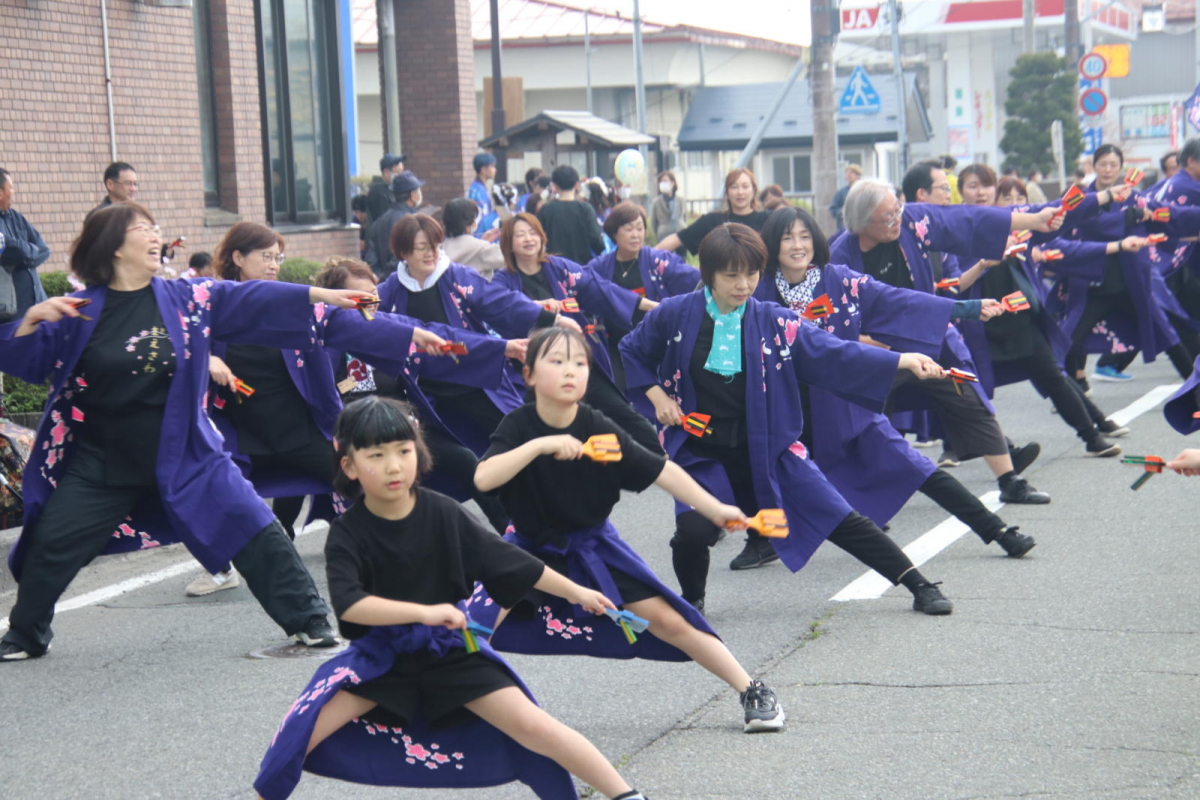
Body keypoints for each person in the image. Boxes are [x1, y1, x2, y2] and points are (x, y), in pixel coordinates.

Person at [0, 202, 374, 662]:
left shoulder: (186, 297)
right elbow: (27, 362)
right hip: (104, 459)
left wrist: (323, 296)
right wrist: (30, 321)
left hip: (189, 452)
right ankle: (26, 633)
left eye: (156, 227)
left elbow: (252, 298)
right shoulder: (80, 312)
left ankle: (310, 621)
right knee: (50, 543)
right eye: (143, 229)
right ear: (113, 245)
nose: (156, 235)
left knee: (254, 525)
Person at [253, 396, 652, 800]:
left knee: (536, 727)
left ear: (419, 453)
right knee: (297, 735)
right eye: (376, 454)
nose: (393, 465)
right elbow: (352, 606)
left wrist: (579, 591)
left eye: (403, 451)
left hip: (451, 653)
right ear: (350, 466)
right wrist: (425, 612)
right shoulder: (347, 533)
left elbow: (512, 563)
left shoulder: (443, 512)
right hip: (381, 659)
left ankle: (627, 796)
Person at [619, 223, 958, 614]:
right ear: (708, 273)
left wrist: (902, 359)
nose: (743, 284)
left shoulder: (774, 320)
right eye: (731, 275)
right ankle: (692, 601)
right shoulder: (675, 314)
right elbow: (632, 349)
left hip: (768, 446)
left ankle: (918, 584)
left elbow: (835, 352)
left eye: (751, 274)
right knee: (693, 530)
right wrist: (657, 395)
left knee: (839, 516)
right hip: (701, 450)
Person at [471, 327, 785, 732]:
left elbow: (661, 469)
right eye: (557, 361)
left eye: (580, 363)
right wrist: (540, 446)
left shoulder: (598, 427)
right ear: (528, 375)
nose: (571, 371)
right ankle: (449, 704)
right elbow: (483, 479)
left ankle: (752, 690)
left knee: (671, 621)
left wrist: (715, 508)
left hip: (593, 546)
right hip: (528, 549)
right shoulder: (518, 426)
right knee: (470, 627)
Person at [751, 205, 1036, 561]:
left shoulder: (839, 279)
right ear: (771, 244)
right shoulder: (757, 289)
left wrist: (965, 308)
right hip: (787, 409)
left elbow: (897, 299)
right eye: (787, 237)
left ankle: (998, 531)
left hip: (843, 403)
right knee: (763, 474)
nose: (798, 245)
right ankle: (761, 540)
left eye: (805, 236)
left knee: (922, 471)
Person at [830, 177, 1061, 505]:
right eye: (888, 217)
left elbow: (966, 218)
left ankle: (1010, 481)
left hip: (926, 335)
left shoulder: (911, 221)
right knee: (860, 422)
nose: (898, 220)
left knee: (969, 397)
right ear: (861, 223)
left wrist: (1035, 219)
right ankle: (855, 503)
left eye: (897, 210)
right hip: (872, 351)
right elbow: (836, 327)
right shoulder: (839, 259)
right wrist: (874, 345)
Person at [312, 257, 513, 533]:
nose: (370, 302)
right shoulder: (323, 338)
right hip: (353, 432)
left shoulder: (389, 326)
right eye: (360, 296)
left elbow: (438, 335)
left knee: (465, 460)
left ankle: (511, 532)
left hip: (401, 424)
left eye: (374, 294)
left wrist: (502, 347)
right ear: (338, 299)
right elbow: (321, 393)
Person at [949, 178, 1127, 456]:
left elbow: (1057, 207)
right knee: (969, 390)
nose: (981, 191)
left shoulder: (1014, 221)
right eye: (973, 186)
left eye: (985, 185)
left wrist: (1104, 195)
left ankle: (1092, 437)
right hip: (977, 324)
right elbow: (951, 277)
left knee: (1054, 378)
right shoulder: (953, 224)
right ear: (961, 191)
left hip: (1020, 319)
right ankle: (955, 447)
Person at [377, 214, 576, 454]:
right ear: (403, 251)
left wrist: (552, 318)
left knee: (521, 435)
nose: (431, 253)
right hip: (427, 391)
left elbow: (501, 303)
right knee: (460, 460)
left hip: (473, 376)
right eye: (422, 248)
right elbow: (369, 327)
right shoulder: (390, 290)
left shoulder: (456, 275)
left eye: (435, 246)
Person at [492, 212, 660, 450]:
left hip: (573, 358)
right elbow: (503, 308)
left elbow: (601, 289)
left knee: (622, 412)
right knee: (539, 427)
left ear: (541, 237)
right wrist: (539, 308)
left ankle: (663, 457)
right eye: (520, 235)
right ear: (508, 243)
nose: (528, 239)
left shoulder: (560, 268)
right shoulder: (503, 281)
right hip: (533, 369)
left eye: (532, 233)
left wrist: (651, 306)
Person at [1056, 144, 1197, 386]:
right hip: (1094, 284)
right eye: (1103, 164)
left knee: (1169, 337)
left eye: (1113, 165)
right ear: (1094, 166)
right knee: (1069, 339)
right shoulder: (1083, 198)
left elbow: (1169, 214)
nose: (1108, 170)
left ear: (1121, 168)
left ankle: (1194, 390)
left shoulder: (1135, 197)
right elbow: (1088, 224)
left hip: (1132, 282)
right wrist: (1126, 217)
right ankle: (1076, 388)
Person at [584, 202, 699, 389]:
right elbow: (582, 286)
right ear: (614, 232)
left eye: (640, 228)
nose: (636, 235)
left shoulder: (658, 260)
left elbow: (691, 277)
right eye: (629, 229)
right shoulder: (599, 266)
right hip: (613, 345)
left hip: (655, 345)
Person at [656, 168, 767, 255]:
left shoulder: (767, 220)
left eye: (745, 186)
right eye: (734, 187)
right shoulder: (712, 221)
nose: (740, 192)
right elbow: (678, 238)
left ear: (754, 190)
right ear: (727, 192)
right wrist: (646, 257)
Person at [0, 168, 50, 317]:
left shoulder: (16, 217)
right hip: (9, 314)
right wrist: (27, 251)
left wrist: (24, 253)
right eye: (11, 187)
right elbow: (9, 250)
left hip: (35, 306)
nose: (14, 192)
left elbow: (44, 249)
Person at [536, 165, 605, 266]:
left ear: (555, 186)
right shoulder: (586, 209)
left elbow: (539, 239)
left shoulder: (545, 210)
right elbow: (597, 241)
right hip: (581, 268)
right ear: (576, 185)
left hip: (552, 268)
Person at [368, 169, 425, 277]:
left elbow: (371, 255)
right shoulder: (412, 222)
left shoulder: (380, 220)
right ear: (413, 195)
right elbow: (402, 256)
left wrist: (380, 277)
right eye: (419, 190)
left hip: (383, 282)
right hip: (406, 279)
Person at [441, 197, 505, 278]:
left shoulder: (441, 247)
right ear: (470, 222)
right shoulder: (481, 248)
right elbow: (509, 258)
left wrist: (482, 241)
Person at [468, 152, 501, 242]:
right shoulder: (477, 191)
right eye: (492, 166)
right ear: (483, 169)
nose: (495, 170)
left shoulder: (480, 188)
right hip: (479, 236)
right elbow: (476, 218)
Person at [367, 153, 405, 227]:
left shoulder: (391, 189)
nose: (401, 175)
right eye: (398, 172)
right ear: (386, 172)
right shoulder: (378, 192)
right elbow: (384, 223)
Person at [649, 170, 685, 244]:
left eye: (665, 181)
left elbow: (684, 217)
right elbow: (653, 222)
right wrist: (659, 231)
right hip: (663, 235)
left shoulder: (680, 200)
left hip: (680, 234)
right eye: (661, 182)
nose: (663, 184)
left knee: (681, 255)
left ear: (672, 183)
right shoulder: (656, 202)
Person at [829, 164, 862, 234]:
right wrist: (842, 212)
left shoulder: (864, 191)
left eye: (852, 172)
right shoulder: (841, 193)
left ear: (858, 176)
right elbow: (833, 209)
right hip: (844, 229)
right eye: (847, 172)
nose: (848, 175)